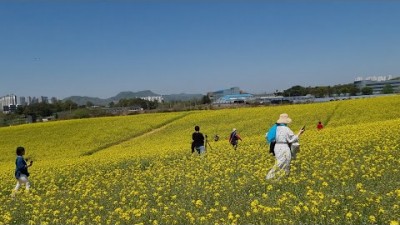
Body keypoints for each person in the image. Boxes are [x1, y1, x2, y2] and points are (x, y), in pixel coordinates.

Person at [266, 113, 304, 181]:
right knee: (285, 162)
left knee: (280, 161)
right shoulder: (286, 129)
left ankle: (279, 178)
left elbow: (268, 136)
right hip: (284, 146)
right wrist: (299, 133)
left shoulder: (276, 128)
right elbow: (292, 139)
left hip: (277, 147)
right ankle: (271, 177)